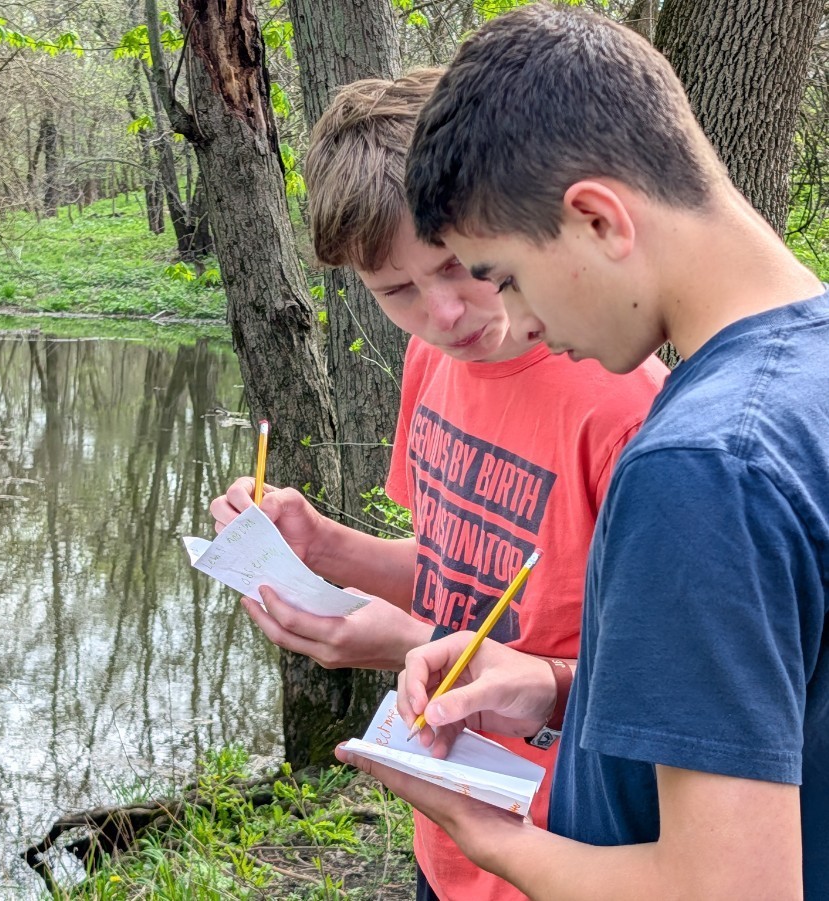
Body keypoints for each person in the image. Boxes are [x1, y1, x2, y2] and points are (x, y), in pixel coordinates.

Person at [336, 5, 829, 899]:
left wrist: (494, 838)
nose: (515, 320)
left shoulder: (701, 468)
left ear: (597, 219)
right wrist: (556, 688)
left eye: (506, 277)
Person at [211, 69, 666, 901]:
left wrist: (405, 643)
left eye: (457, 266)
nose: (443, 313)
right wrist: (325, 547)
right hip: (450, 829)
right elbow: (454, 567)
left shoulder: (622, 407)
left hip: (567, 848)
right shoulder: (431, 361)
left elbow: (661, 683)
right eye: (397, 290)